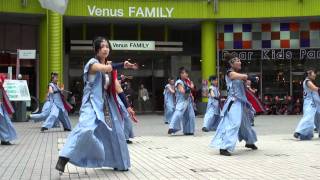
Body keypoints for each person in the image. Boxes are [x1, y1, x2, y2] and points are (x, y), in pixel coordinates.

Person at [56, 36, 133, 173]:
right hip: (91, 102)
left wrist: (127, 106)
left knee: (116, 132)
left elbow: (117, 87)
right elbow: (104, 68)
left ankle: (120, 163)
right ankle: (64, 156)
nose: (105, 49)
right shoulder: (92, 63)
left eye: (107, 46)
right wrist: (122, 64)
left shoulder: (110, 67)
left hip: (107, 104)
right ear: (96, 50)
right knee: (85, 128)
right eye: (102, 46)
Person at [210, 53, 258, 156]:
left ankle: (250, 142)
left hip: (242, 102)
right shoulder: (230, 73)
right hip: (234, 102)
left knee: (246, 124)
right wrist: (247, 76)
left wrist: (251, 85)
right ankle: (224, 147)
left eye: (240, 60)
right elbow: (234, 76)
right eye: (237, 60)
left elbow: (244, 86)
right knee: (234, 124)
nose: (240, 62)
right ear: (231, 63)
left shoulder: (239, 75)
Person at [168, 67, 196, 135]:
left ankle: (189, 131)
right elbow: (183, 91)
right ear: (180, 74)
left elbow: (192, 89)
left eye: (186, 73)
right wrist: (191, 86)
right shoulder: (179, 82)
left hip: (188, 101)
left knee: (190, 116)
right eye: (183, 73)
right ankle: (172, 127)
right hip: (181, 101)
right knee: (178, 113)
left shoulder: (187, 81)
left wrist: (191, 87)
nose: (185, 74)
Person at [293, 68, 319, 140]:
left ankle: (306, 135)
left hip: (312, 102)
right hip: (310, 102)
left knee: (315, 118)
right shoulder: (307, 81)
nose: (315, 75)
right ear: (309, 74)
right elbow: (315, 89)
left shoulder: (308, 81)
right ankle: (298, 131)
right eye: (314, 73)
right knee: (308, 117)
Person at [0, 74, 17, 145]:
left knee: (5, 122)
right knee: (3, 122)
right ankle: (5, 139)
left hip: (1, 106)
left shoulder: (2, 88)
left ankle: (5, 139)